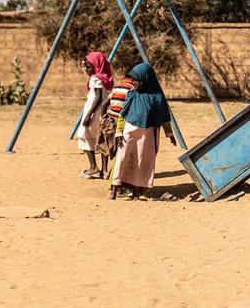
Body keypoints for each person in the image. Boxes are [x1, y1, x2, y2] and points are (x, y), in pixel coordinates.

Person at [109, 62, 176, 200]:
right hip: (129, 133)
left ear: (145, 80)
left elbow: (164, 117)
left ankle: (138, 190)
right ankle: (115, 188)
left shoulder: (158, 97)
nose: (133, 82)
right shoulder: (132, 94)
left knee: (143, 161)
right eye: (133, 80)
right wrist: (118, 132)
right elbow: (123, 114)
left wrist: (169, 134)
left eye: (136, 80)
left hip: (148, 134)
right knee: (123, 158)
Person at [75, 52, 113, 179]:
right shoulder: (107, 79)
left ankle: (93, 167)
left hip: (94, 113)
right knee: (103, 139)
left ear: (96, 65)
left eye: (88, 67)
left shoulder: (95, 79)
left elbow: (97, 98)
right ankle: (105, 170)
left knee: (83, 135)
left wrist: (88, 116)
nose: (85, 70)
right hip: (105, 112)